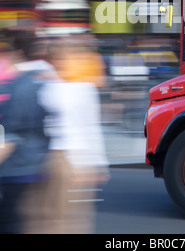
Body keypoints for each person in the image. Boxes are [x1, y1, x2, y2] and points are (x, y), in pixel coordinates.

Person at [38, 34, 110, 234]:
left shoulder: (48, 87)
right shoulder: (81, 88)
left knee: (55, 214)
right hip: (75, 158)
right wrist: (99, 164)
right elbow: (91, 127)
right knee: (71, 216)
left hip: (55, 156)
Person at [0, 29, 54, 234]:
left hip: (18, 166)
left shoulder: (21, 86)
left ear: (17, 52)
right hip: (37, 162)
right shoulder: (45, 79)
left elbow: (12, 134)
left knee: (9, 222)